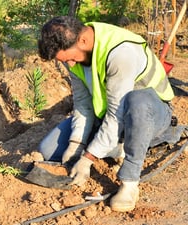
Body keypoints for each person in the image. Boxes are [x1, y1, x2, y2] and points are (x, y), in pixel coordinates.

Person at [37, 16, 175, 212]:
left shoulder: (121, 53)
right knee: (49, 149)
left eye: (69, 58)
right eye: (65, 61)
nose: (70, 64)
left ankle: (130, 182)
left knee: (138, 102)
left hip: (151, 115)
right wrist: (76, 144)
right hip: (109, 119)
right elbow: (83, 104)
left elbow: (117, 113)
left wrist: (88, 158)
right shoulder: (74, 56)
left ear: (82, 41)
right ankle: (119, 147)